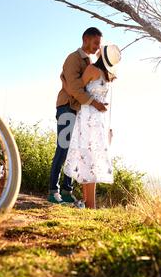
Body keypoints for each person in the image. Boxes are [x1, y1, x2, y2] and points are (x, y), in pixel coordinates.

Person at [48, 27, 109, 206]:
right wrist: (95, 103)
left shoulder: (89, 61)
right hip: (67, 107)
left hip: (78, 111)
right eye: (96, 43)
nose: (98, 47)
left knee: (74, 151)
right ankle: (54, 191)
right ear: (86, 39)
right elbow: (75, 89)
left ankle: (67, 191)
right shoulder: (73, 59)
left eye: (100, 44)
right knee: (63, 148)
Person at [63, 44, 122, 209]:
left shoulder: (91, 70)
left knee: (87, 158)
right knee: (90, 158)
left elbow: (77, 89)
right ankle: (88, 203)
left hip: (88, 116)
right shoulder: (107, 76)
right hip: (99, 119)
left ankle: (91, 205)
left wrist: (64, 81)